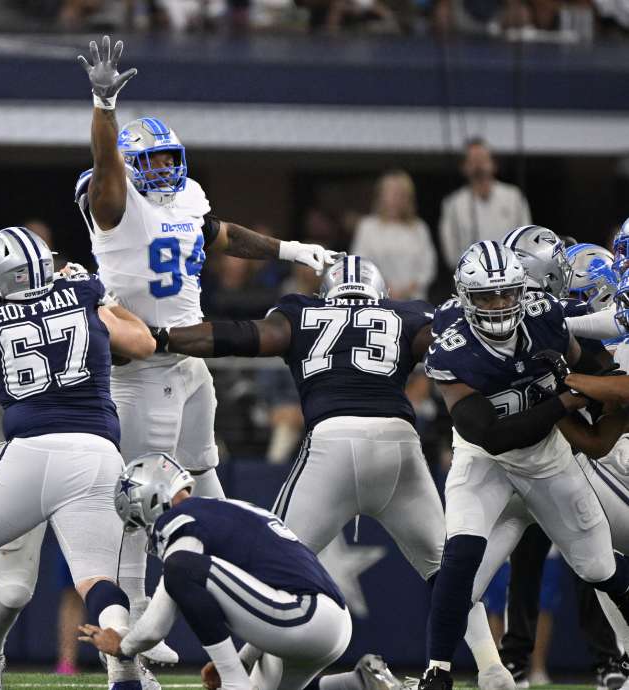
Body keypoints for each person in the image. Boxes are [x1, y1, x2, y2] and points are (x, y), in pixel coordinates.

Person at [75, 35, 336, 656]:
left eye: (170, 158)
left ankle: (250, 574)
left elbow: (222, 235)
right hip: (141, 371)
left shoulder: (186, 199)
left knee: (205, 473)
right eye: (152, 162)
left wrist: (290, 250)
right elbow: (107, 174)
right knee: (139, 496)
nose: (164, 170)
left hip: (190, 364)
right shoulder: (114, 203)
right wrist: (104, 109)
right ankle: (136, 620)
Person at [154, 255, 516, 689]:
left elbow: (242, 336)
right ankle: (492, 668)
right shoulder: (407, 315)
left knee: (268, 563)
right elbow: (458, 348)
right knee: (447, 570)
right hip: (398, 446)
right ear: (380, 293)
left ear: (325, 293)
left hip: (332, 443)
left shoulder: (299, 311)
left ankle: (245, 667)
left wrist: (162, 338)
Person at [0, 226, 156, 690]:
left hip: (26, 452)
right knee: (88, 581)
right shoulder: (83, 291)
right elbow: (142, 343)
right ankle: (123, 669)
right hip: (94, 452)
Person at [419, 240, 629, 690]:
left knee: (599, 567)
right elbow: (492, 435)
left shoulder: (545, 316)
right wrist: (565, 398)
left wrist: (594, 387)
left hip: (547, 459)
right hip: (485, 461)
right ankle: (437, 673)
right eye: (486, 297)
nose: (498, 305)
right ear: (464, 298)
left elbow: (595, 367)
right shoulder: (452, 346)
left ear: (522, 290)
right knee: (459, 564)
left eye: (506, 293)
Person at [79, 454, 391, 690]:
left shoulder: (182, 520)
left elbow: (159, 619)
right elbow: (271, 586)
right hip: (327, 620)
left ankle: (234, 682)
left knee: (180, 568)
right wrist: (243, 660)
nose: (147, 530)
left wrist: (123, 647)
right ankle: (358, 683)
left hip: (303, 616)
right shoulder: (228, 511)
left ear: (147, 500)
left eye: (140, 520)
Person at [439, 138, 533, 270]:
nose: (479, 166)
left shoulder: (513, 197)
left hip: (511, 273)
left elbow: (526, 239)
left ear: (494, 164)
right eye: (473, 161)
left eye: (482, 159)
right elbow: (451, 253)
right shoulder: (453, 204)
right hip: (472, 276)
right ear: (464, 168)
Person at [349, 170, 437, 300]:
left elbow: (428, 266)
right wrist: (385, 287)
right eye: (391, 192)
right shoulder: (367, 227)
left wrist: (409, 288)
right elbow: (359, 264)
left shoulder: (419, 228)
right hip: (377, 300)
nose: (395, 198)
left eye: (401, 193)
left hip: (413, 301)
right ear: (380, 195)